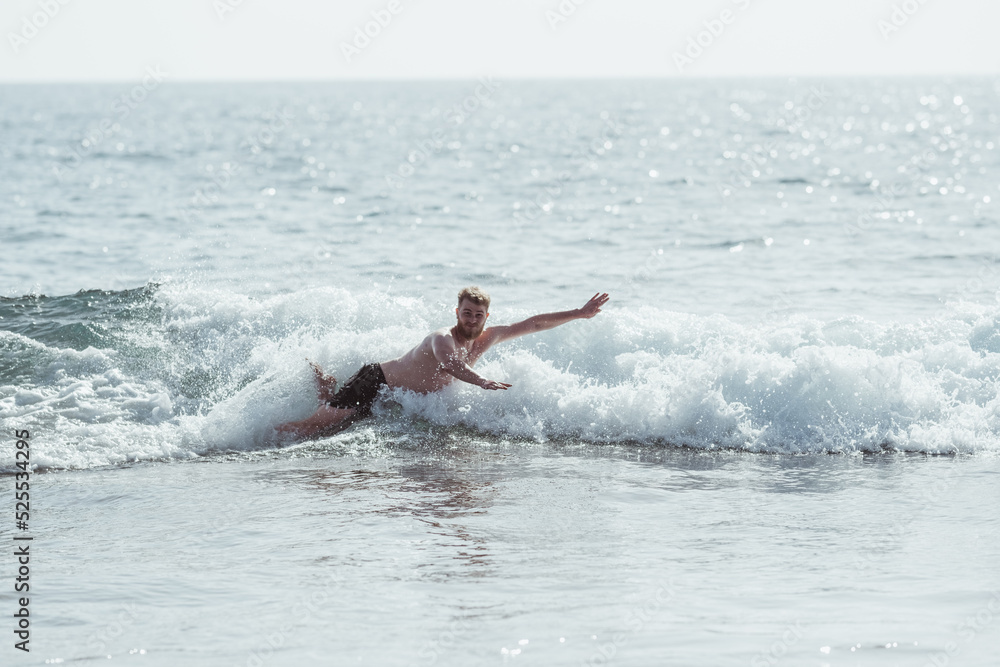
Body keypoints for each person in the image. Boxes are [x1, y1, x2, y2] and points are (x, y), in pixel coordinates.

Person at [276, 287, 610, 439]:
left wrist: (579, 314)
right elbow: (450, 364)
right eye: (466, 313)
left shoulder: (488, 336)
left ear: (486, 317)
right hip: (375, 382)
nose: (472, 319)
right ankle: (254, 436)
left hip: (393, 395)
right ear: (457, 313)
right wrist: (481, 382)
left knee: (333, 426)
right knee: (311, 428)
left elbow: (533, 324)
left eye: (478, 315)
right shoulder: (442, 339)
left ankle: (327, 387)